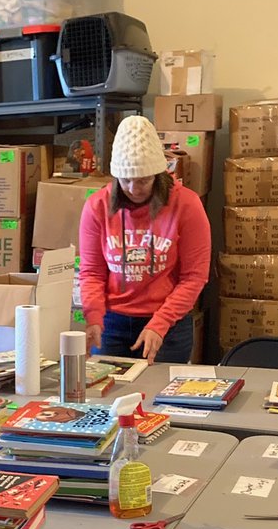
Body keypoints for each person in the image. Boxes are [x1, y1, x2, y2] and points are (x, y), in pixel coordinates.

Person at [78, 115, 211, 364]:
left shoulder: (187, 204)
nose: (134, 188)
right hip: (112, 324)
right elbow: (92, 273)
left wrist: (160, 323)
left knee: (157, 399)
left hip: (168, 323)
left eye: (143, 181)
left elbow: (194, 277)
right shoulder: (97, 206)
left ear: (159, 175)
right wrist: (93, 318)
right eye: (125, 180)